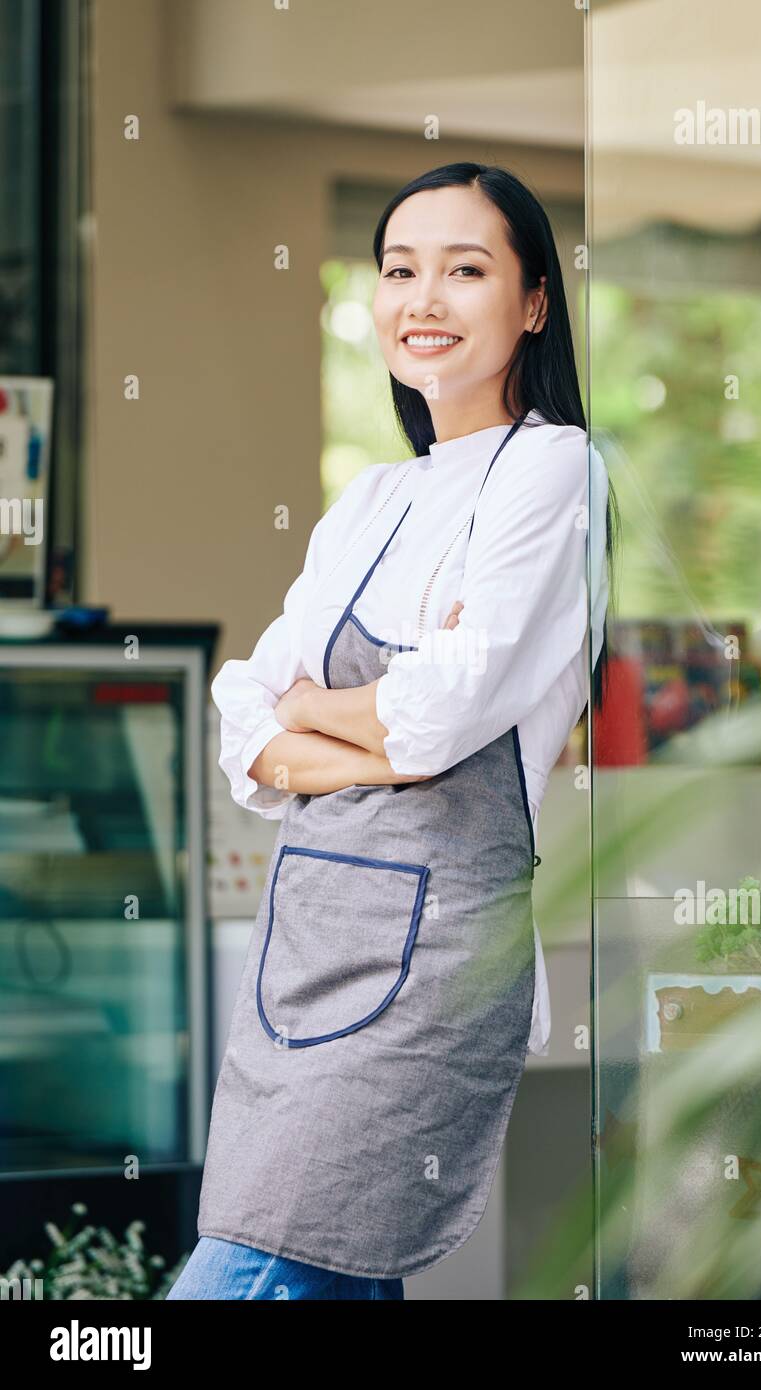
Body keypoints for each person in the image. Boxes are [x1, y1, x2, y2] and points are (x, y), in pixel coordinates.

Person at [167, 162, 616, 1301]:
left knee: (251, 1274)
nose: (424, 297)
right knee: (321, 1274)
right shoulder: (370, 498)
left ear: (530, 304)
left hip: (432, 975)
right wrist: (367, 722)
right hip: (304, 958)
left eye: (465, 269)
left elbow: (437, 718)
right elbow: (239, 726)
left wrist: (315, 709)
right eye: (399, 268)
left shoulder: (551, 469)